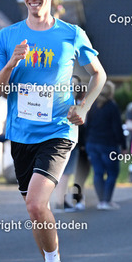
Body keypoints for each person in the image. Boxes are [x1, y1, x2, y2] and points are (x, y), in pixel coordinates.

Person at [0, 0, 106, 262]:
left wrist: (84, 106)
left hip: (58, 130)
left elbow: (98, 74)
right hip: (21, 134)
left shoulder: (71, 34)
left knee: (37, 204)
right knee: (34, 210)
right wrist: (11, 63)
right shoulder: (8, 36)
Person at [85, 81, 126, 210]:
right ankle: (107, 200)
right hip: (108, 144)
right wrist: (123, 145)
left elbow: (87, 125)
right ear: (111, 93)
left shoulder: (92, 105)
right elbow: (117, 128)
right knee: (112, 173)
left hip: (92, 143)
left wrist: (86, 142)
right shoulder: (112, 107)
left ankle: (101, 201)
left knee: (98, 172)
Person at [52, 75, 86, 213]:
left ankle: (61, 201)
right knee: (64, 174)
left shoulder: (62, 102)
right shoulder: (70, 104)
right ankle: (60, 203)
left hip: (69, 142)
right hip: (68, 141)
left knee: (63, 174)